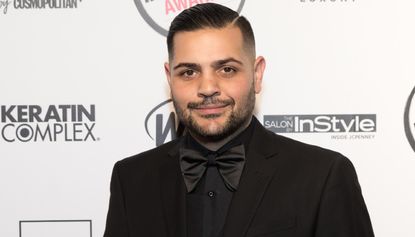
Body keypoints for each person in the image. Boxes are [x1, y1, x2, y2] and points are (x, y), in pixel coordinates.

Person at [103, 3, 375, 237]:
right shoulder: (131, 180)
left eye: (227, 69)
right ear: (169, 78)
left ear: (257, 74)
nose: (208, 87)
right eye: (188, 72)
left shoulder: (322, 176)